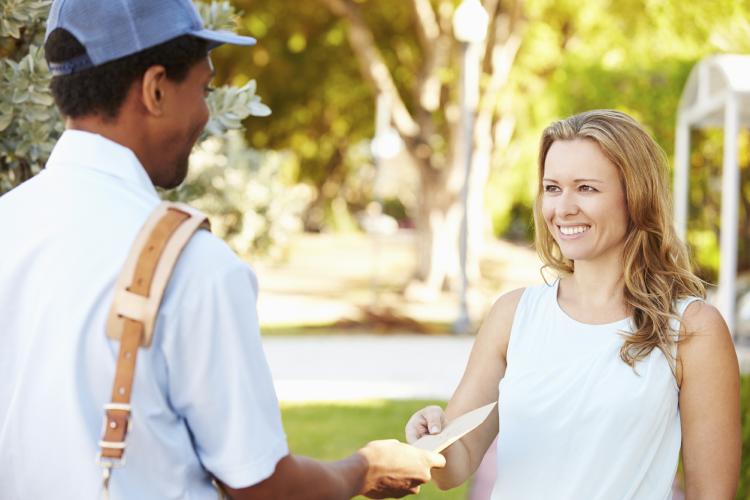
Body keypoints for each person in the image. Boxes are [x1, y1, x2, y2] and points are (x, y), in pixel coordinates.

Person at [0, 1, 445, 499]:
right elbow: (262, 489)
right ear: (155, 89)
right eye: (204, 89)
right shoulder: (192, 265)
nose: (205, 113)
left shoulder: (8, 225)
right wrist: (362, 467)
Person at [405, 109, 741, 499]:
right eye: (552, 188)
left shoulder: (691, 328)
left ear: (636, 196)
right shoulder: (514, 315)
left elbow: (712, 494)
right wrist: (434, 434)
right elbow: (455, 465)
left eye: (586, 188)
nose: (562, 208)